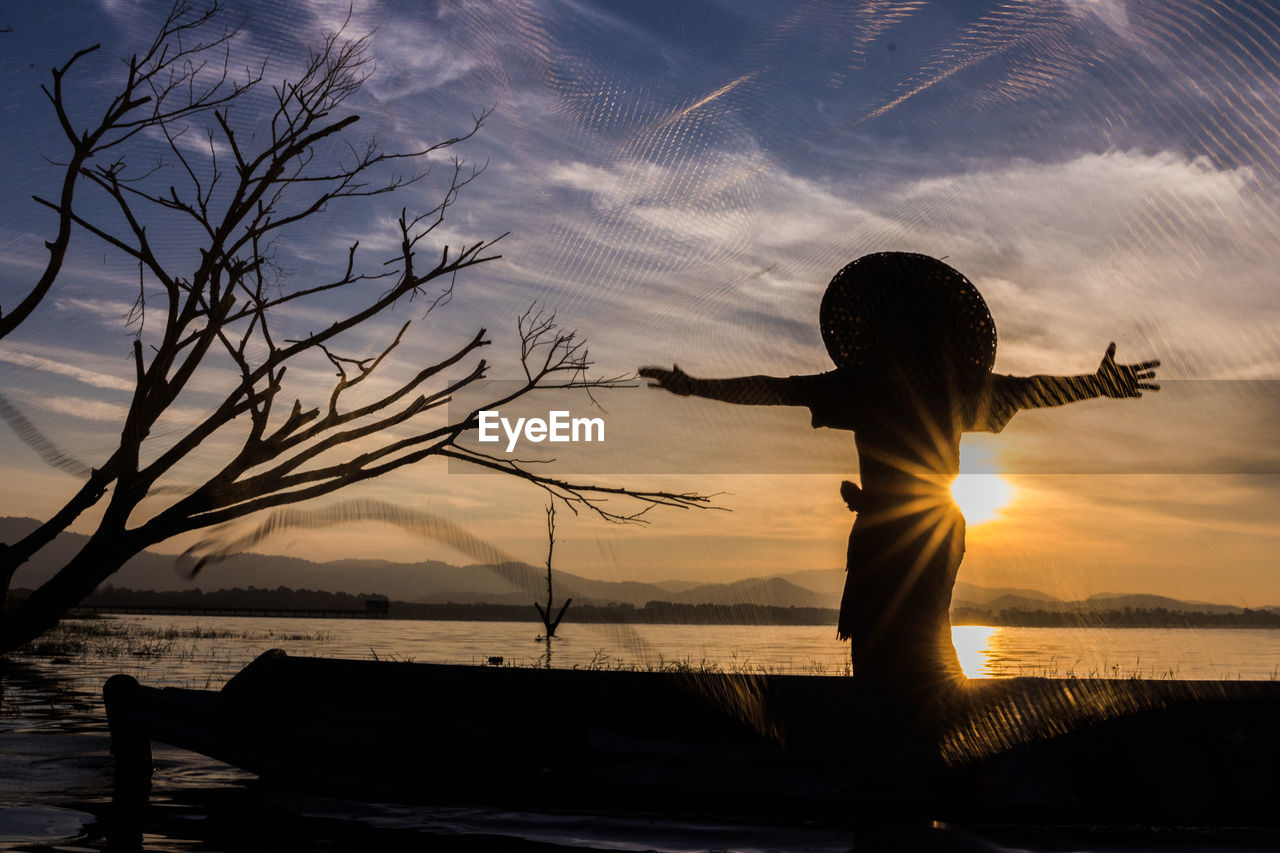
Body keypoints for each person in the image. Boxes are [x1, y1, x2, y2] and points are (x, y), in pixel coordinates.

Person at [640, 253, 1159, 697]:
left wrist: (1095, 385)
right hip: (895, 529)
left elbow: (1032, 390)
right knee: (888, 640)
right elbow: (778, 388)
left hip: (915, 530)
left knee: (912, 639)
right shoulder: (899, 386)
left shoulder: (921, 387)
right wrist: (697, 387)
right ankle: (905, 744)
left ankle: (923, 744)